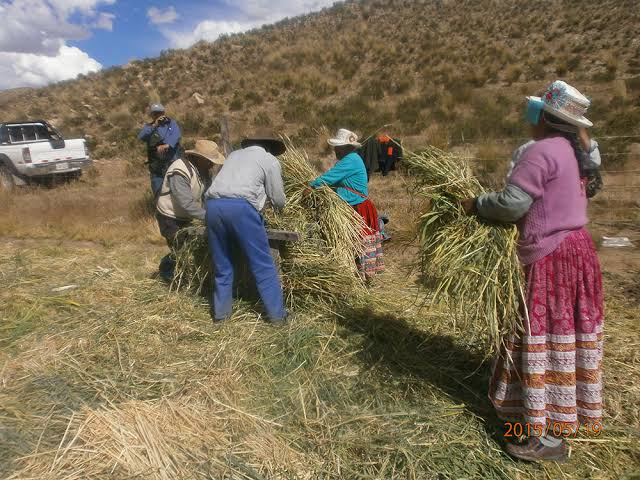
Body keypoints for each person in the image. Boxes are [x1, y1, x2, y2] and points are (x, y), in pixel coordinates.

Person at [462, 80, 604, 462]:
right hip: (578, 250)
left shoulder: (541, 151)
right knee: (563, 336)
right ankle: (554, 421)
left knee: (540, 335)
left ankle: (545, 439)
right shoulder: (578, 152)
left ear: (543, 116)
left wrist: (475, 203)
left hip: (551, 257)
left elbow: (511, 205)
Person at [204, 128, 288, 325]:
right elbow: (278, 197)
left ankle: (221, 316)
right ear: (268, 147)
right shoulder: (269, 160)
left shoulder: (233, 155)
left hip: (213, 208)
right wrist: (279, 209)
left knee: (223, 264)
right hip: (241, 209)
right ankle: (277, 317)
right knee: (263, 265)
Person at [309, 128, 385, 279]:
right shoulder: (351, 159)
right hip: (355, 205)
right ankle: (357, 276)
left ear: (346, 148)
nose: (335, 151)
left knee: (358, 242)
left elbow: (330, 177)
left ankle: (361, 278)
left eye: (338, 148)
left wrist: (311, 186)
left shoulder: (350, 160)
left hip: (359, 207)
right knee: (355, 242)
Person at [155, 140, 224, 282]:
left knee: (190, 247)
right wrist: (210, 217)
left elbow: (207, 197)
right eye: (209, 161)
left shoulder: (204, 172)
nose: (212, 164)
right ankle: (167, 274)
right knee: (181, 250)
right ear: (199, 158)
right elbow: (186, 203)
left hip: (186, 216)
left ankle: (179, 274)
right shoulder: (179, 170)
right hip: (169, 216)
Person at [138, 103, 183, 196]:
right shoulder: (149, 127)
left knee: (177, 191)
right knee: (159, 192)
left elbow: (176, 136)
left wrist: (167, 145)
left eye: (159, 113)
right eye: (155, 113)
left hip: (172, 164)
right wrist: (154, 125)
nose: (158, 115)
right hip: (157, 167)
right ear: (152, 115)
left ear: (163, 113)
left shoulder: (172, 124)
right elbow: (141, 136)